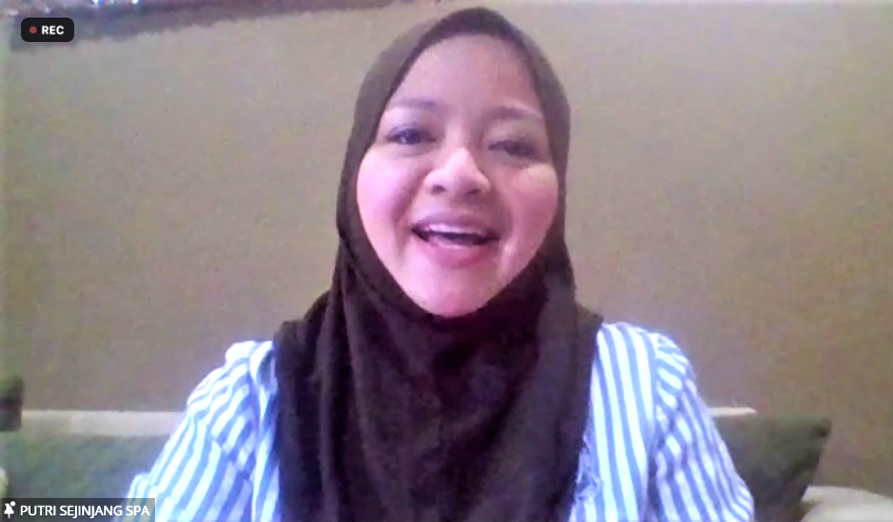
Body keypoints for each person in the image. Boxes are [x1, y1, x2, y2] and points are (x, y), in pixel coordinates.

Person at [119, 7, 754, 522]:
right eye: (410, 134)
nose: (460, 173)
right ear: (354, 173)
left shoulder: (646, 390)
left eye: (513, 145)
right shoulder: (250, 404)